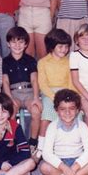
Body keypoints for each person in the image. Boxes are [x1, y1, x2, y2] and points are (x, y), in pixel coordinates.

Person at [38, 89, 88, 175]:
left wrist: (74, 167)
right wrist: (64, 168)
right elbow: (47, 153)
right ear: (56, 110)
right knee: (44, 167)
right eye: (63, 109)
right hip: (59, 162)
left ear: (77, 110)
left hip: (78, 162)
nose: (67, 112)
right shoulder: (52, 127)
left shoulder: (83, 126)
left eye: (71, 108)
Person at [2, 26, 42, 152]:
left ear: (26, 44)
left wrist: (36, 98)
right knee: (11, 111)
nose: (17, 45)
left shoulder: (30, 60)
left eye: (20, 42)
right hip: (13, 93)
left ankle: (33, 142)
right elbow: (5, 81)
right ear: (8, 44)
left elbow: (35, 80)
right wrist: (9, 98)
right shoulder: (5, 61)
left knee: (36, 111)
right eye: (13, 42)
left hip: (29, 92)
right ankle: (12, 140)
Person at [36, 28, 74, 159]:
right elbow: (43, 84)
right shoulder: (42, 62)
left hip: (67, 92)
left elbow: (71, 81)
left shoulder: (69, 61)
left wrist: (68, 96)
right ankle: (40, 146)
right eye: (61, 46)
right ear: (52, 47)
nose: (64, 49)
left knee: (75, 112)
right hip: (49, 93)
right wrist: (55, 98)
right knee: (47, 112)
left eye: (66, 47)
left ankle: (70, 147)